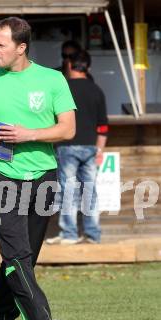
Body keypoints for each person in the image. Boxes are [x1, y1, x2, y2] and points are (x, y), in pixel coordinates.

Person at [0, 17, 76, 320]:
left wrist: (29, 135)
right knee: (16, 254)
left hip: (43, 175)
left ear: (21, 47)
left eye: (1, 45)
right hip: (1, 175)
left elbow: (67, 128)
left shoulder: (52, 80)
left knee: (24, 256)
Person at [47, 50, 108, 245]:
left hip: (66, 146)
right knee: (90, 191)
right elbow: (103, 126)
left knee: (67, 191)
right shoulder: (97, 90)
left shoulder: (62, 89)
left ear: (69, 66)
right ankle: (93, 234)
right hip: (90, 147)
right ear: (88, 68)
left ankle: (70, 234)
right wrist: (100, 149)